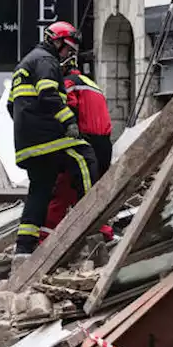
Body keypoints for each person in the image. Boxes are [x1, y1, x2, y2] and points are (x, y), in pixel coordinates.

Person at [9, 20, 98, 255]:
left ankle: (24, 248)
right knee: (85, 155)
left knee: (40, 190)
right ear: (56, 42)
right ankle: (95, 219)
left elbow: (11, 106)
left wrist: (27, 128)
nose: (68, 54)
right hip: (47, 135)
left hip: (27, 143)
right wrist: (68, 121)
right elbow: (49, 94)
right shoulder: (46, 61)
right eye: (68, 48)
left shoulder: (25, 63)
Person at [42, 53, 116, 242]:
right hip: (105, 144)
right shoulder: (93, 85)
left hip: (85, 142)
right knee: (94, 190)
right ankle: (103, 232)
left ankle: (44, 238)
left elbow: (68, 108)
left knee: (62, 191)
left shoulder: (68, 83)